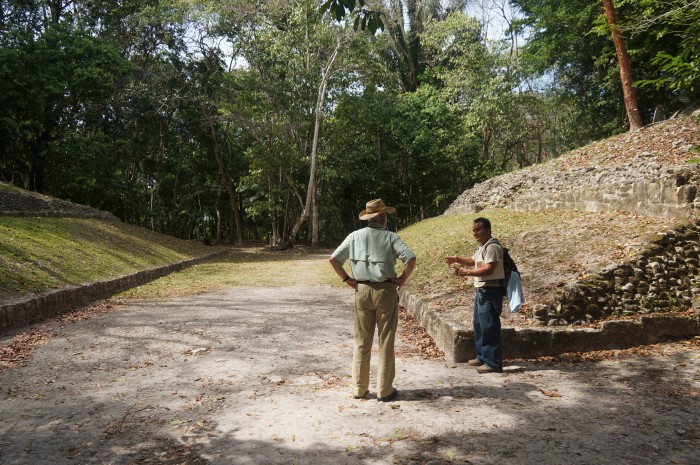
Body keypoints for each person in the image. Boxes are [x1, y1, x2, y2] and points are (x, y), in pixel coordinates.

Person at [329, 199, 417, 402]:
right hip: (386, 291)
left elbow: (334, 259)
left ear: (369, 218)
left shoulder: (354, 236)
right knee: (386, 341)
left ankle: (359, 389)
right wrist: (402, 278)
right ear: (383, 217)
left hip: (362, 290)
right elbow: (410, 258)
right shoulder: (390, 237)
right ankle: (384, 390)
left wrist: (346, 279)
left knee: (362, 341)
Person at [444, 217, 505, 374]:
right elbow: (472, 260)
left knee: (489, 326)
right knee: (479, 325)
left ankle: (493, 362)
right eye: (473, 230)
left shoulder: (493, 247)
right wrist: (457, 259)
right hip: (482, 291)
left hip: (490, 291)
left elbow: (489, 269)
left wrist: (467, 273)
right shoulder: (482, 247)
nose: (475, 233)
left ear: (488, 230)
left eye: (478, 230)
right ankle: (482, 357)